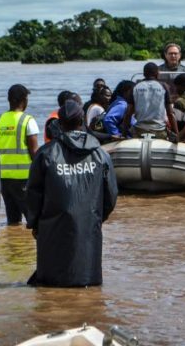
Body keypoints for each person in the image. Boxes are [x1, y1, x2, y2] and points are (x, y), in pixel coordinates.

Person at [26, 100, 118, 287]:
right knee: (87, 284)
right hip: (89, 226)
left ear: (59, 124)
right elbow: (111, 194)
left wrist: (34, 224)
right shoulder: (101, 155)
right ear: (82, 121)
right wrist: (97, 217)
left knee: (51, 287)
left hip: (52, 229)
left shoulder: (45, 154)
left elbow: (33, 194)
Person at [0, 84, 39, 225]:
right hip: (23, 178)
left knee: (13, 222)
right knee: (33, 220)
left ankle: (14, 244)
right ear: (24, 100)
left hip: (3, 178)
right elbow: (35, 152)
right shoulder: (28, 120)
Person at [124, 62, 178, 140]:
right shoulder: (164, 86)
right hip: (159, 131)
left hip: (139, 130)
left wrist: (124, 134)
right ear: (157, 73)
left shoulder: (135, 87)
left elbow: (128, 113)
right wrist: (176, 134)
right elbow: (170, 113)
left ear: (144, 74)